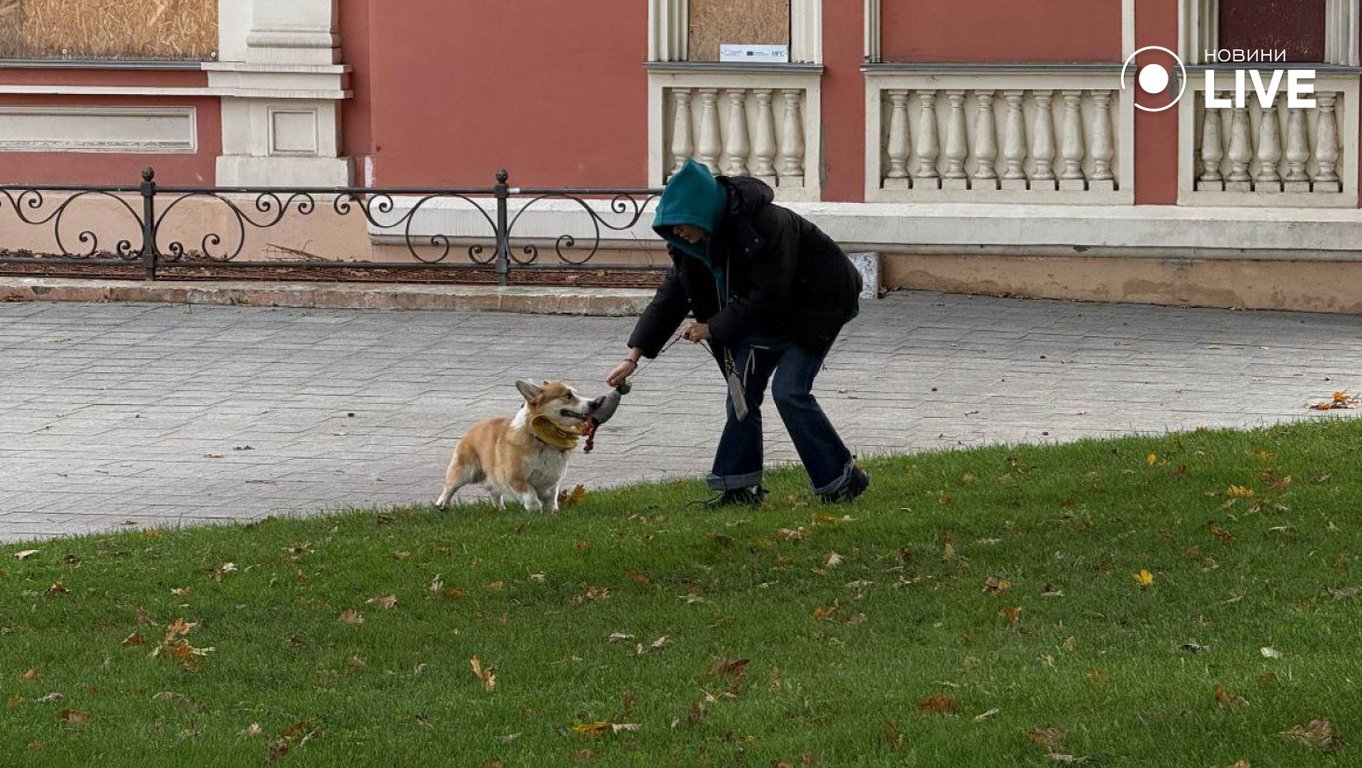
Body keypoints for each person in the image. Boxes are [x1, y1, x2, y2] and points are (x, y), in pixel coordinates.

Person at [605, 159, 869, 506]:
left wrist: (712, 327)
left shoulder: (767, 224)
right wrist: (633, 357)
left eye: (679, 224)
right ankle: (740, 488)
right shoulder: (691, 245)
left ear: (700, 211)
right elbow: (671, 297)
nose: (676, 233)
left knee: (789, 392)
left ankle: (842, 478)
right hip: (763, 316)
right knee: (742, 393)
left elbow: (771, 294)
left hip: (816, 307)